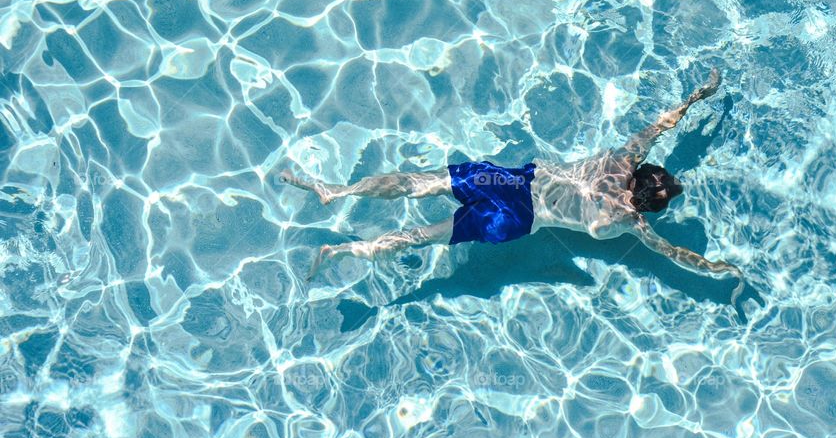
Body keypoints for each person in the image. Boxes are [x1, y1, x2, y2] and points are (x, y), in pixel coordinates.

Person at [280, 68, 744, 300]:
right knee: (426, 235)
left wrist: (697, 97)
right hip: (518, 219)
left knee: (418, 183)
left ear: (643, 173)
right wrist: (721, 268)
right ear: (648, 206)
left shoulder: (620, 160)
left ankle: (335, 192)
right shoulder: (629, 222)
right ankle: (341, 253)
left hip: (511, 181)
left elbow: (660, 127)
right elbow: (675, 256)